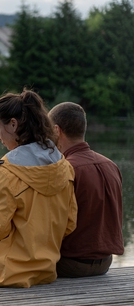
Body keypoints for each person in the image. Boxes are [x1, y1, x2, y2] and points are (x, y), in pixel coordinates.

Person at [0, 89, 77, 288]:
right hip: (46, 269)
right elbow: (70, 223)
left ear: (13, 124)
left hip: (8, 270)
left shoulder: (7, 171)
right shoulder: (64, 166)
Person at [48, 102, 124, 278]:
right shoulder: (111, 165)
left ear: (57, 131)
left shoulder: (64, 169)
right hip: (105, 262)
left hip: (70, 264)